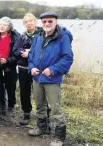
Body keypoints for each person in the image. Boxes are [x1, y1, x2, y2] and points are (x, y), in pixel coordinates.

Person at [28, 12, 73, 146]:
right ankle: (42, 128)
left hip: (52, 79)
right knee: (40, 105)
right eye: (44, 22)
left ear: (56, 22)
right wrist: (31, 67)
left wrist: (53, 69)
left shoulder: (63, 37)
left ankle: (59, 137)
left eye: (50, 21)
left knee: (55, 108)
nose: (47, 24)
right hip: (37, 77)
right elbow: (31, 55)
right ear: (41, 23)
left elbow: (68, 58)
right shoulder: (38, 36)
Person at [17, 13, 41, 125]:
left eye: (30, 21)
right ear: (24, 24)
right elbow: (15, 50)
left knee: (40, 92)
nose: (29, 23)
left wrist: (30, 53)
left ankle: (43, 116)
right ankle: (26, 113)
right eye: (26, 22)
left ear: (35, 21)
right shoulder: (21, 36)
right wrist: (22, 52)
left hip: (38, 68)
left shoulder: (42, 34)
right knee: (24, 91)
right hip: (23, 67)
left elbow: (44, 50)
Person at [0, 17, 21, 118]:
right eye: (0, 24)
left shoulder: (15, 37)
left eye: (4, 25)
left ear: (9, 27)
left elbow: (17, 54)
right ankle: (2, 107)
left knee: (11, 88)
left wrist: (7, 60)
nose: (2, 26)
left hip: (10, 66)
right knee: (0, 87)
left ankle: (11, 107)